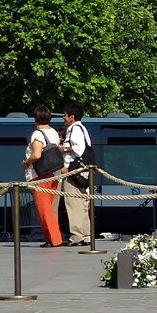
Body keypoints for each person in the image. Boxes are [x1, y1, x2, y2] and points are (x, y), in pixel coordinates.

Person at [21, 105, 63, 248]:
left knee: (44, 209)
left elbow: (37, 155)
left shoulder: (37, 134)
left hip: (39, 176)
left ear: (35, 119)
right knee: (48, 208)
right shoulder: (54, 133)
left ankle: (55, 240)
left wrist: (26, 162)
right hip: (52, 174)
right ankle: (50, 238)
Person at [59, 101, 92, 246]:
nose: (63, 118)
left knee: (73, 204)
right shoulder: (82, 128)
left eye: (65, 115)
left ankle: (77, 236)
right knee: (83, 204)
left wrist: (63, 150)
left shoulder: (74, 129)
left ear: (72, 116)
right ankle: (86, 235)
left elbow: (78, 149)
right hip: (83, 172)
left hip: (73, 172)